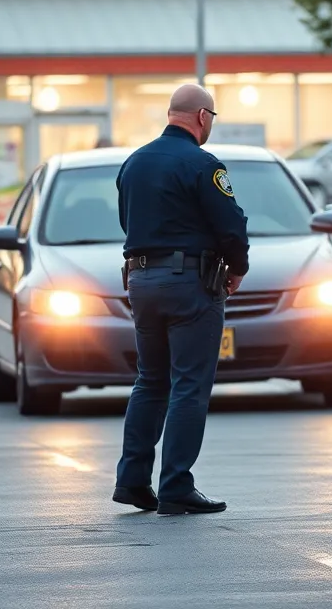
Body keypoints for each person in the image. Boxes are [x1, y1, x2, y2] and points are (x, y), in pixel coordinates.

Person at [111, 83, 250, 516]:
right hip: (190, 284)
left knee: (150, 380)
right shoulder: (203, 165)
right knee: (189, 385)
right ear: (202, 117)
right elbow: (231, 224)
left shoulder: (133, 163)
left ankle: (133, 481)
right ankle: (175, 486)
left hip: (142, 281)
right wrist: (237, 268)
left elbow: (126, 221)